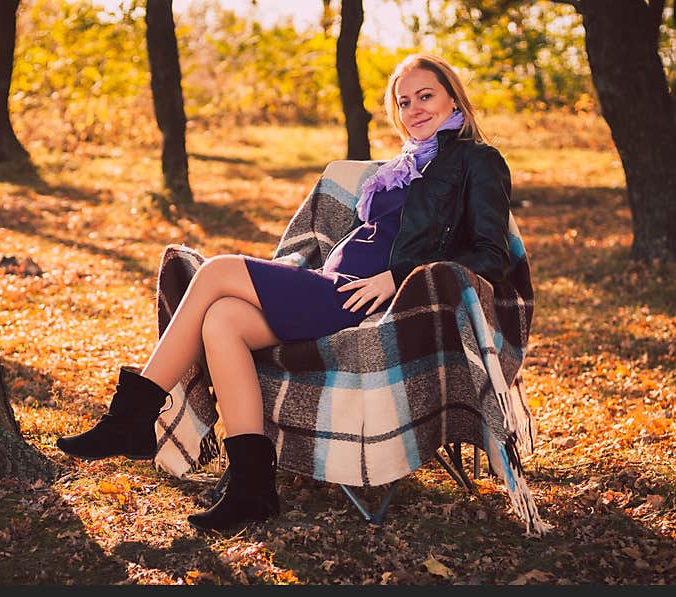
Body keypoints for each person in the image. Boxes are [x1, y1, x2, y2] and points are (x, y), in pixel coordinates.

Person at [56, 53, 512, 532]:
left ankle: (131, 416)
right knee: (222, 320)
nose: (415, 108)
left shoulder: (476, 161)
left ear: (452, 97)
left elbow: (491, 256)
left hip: (364, 303)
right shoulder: (401, 166)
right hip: (330, 287)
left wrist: (399, 278)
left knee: (217, 271)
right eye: (404, 101)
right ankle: (252, 489)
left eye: (426, 96)